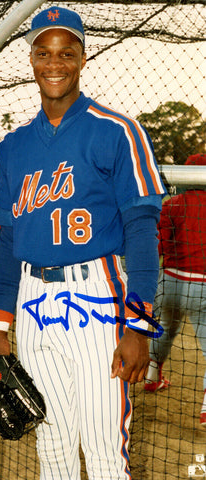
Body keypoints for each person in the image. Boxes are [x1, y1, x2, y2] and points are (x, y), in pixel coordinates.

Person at [0, 6, 166, 480]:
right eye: (43, 53)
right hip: (31, 300)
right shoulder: (14, 145)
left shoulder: (117, 130)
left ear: (83, 59)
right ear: (30, 60)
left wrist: (140, 325)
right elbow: (6, 241)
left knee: (106, 449)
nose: (54, 63)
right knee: (53, 446)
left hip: (97, 299)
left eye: (66, 52)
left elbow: (143, 235)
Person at [144, 153, 206, 428]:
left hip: (168, 281)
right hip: (203, 286)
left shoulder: (171, 205)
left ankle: (151, 377)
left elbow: (156, 247)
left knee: (166, 329)